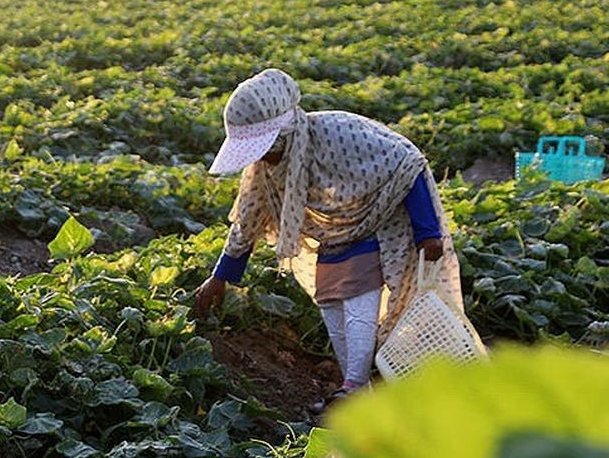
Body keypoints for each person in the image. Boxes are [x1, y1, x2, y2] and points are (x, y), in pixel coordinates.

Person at [194, 69, 463, 409]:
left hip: (377, 220)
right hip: (333, 239)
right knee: (332, 305)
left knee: (358, 305)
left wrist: (428, 233)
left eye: (265, 149)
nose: (261, 158)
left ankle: (353, 386)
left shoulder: (340, 134)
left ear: (284, 134)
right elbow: (247, 221)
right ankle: (356, 388)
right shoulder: (263, 169)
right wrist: (220, 277)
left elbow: (406, 164)